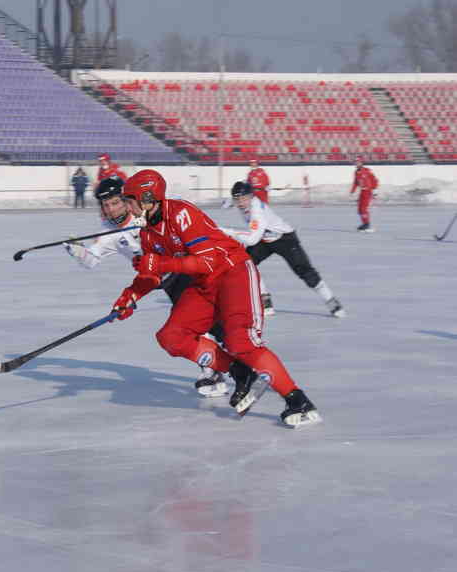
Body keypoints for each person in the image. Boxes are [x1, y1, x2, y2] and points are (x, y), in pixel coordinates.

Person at [110, 169, 321, 428]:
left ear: (147, 198)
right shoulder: (147, 233)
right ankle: (239, 371)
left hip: (232, 272)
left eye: (129, 200)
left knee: (240, 341)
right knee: (172, 337)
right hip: (204, 284)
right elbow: (153, 272)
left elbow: (206, 260)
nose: (126, 206)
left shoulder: (180, 213)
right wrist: (129, 296)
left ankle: (298, 401)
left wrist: (160, 262)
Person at [65, 176, 230, 397]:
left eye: (115, 203)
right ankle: (225, 366)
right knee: (200, 325)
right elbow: (91, 260)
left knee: (205, 324)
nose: (111, 209)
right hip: (163, 279)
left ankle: (230, 365)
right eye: (105, 205)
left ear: (126, 200)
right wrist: (77, 251)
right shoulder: (108, 234)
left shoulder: (144, 213)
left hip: (185, 268)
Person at [225, 181, 345, 318]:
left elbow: (252, 239)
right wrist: (227, 202)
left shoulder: (257, 211)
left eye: (244, 198)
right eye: (237, 199)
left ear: (251, 197)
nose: (240, 203)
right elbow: (231, 200)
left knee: (304, 271)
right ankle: (265, 301)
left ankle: (331, 301)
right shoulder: (241, 203)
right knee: (245, 263)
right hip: (265, 239)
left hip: (285, 239)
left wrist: (226, 231)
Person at [351, 158, 378, 232]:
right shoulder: (356, 172)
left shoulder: (367, 170)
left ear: (362, 163)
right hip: (362, 192)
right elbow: (356, 182)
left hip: (368, 191)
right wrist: (352, 191)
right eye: (355, 162)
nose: (356, 164)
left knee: (363, 209)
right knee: (359, 210)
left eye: (358, 162)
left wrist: (375, 190)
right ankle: (364, 224)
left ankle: (367, 225)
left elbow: (374, 180)